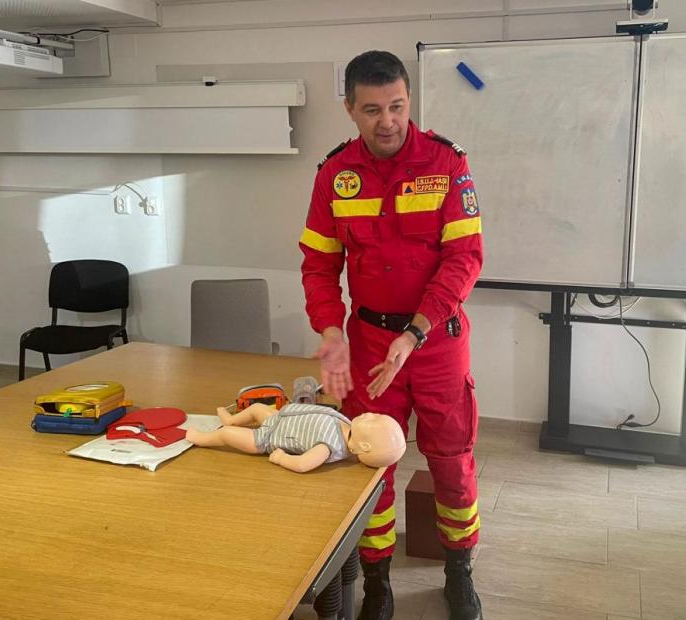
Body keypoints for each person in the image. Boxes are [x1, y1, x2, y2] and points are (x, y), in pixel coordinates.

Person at [299, 50, 484, 620]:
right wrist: (331, 331)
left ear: (409, 101)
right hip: (370, 344)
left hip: (436, 340)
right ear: (350, 109)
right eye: (373, 110)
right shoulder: (335, 174)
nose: (388, 121)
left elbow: (464, 258)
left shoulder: (447, 163)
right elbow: (318, 265)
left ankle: (459, 570)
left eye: (398, 107)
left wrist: (416, 332)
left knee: (451, 458)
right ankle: (377, 581)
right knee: (373, 460)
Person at [185, 402, 406, 472]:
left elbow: (302, 464)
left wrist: (281, 458)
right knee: (257, 408)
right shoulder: (348, 426)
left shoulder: (329, 446)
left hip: (268, 437)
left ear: (364, 446)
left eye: (373, 420)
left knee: (226, 436)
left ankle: (200, 438)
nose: (371, 414)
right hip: (279, 418)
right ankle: (231, 419)